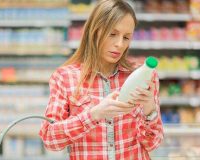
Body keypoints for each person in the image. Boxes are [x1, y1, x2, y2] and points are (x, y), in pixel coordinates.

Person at [39, 0, 163, 159]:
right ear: (95, 31)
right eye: (112, 34)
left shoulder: (142, 76)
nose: (119, 44)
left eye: (126, 37)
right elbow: (50, 139)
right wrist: (94, 114)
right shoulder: (65, 77)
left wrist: (150, 110)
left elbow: (152, 144)